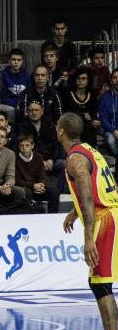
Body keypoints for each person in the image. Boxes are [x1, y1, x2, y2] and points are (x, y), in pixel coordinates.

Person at [59, 113, 118, 330]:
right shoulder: (91, 150)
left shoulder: (74, 159)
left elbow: (87, 198)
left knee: (101, 285)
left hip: (105, 219)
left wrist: (88, 239)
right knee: (100, 283)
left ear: (61, 131)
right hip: (113, 212)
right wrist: (75, 212)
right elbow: (95, 186)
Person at [15, 133, 60, 213]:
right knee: (26, 193)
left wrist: (42, 185)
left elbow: (42, 176)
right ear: (18, 147)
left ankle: (52, 217)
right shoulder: (15, 158)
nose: (24, 148)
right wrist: (33, 186)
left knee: (54, 192)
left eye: (27, 145)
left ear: (32, 146)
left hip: (37, 188)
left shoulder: (38, 156)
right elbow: (17, 181)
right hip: (25, 189)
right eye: (21, 145)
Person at [63, 67, 100, 147]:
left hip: (88, 129)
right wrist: (83, 116)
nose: (80, 80)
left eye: (84, 78)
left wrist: (94, 121)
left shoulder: (92, 95)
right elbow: (68, 114)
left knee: (90, 126)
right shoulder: (68, 95)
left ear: (88, 80)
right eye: (78, 78)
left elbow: (93, 113)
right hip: (72, 127)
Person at [0, 48, 31, 123]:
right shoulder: (3, 75)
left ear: (22, 61)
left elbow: (30, 93)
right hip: (9, 105)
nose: (16, 62)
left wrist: (22, 104)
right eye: (13, 59)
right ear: (9, 61)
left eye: (19, 60)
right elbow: (2, 97)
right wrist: (16, 104)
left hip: (23, 104)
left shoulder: (27, 76)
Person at [99, 69, 118, 170]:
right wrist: (113, 130)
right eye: (115, 78)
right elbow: (103, 119)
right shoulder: (105, 98)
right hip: (110, 131)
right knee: (110, 140)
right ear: (111, 80)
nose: (117, 80)